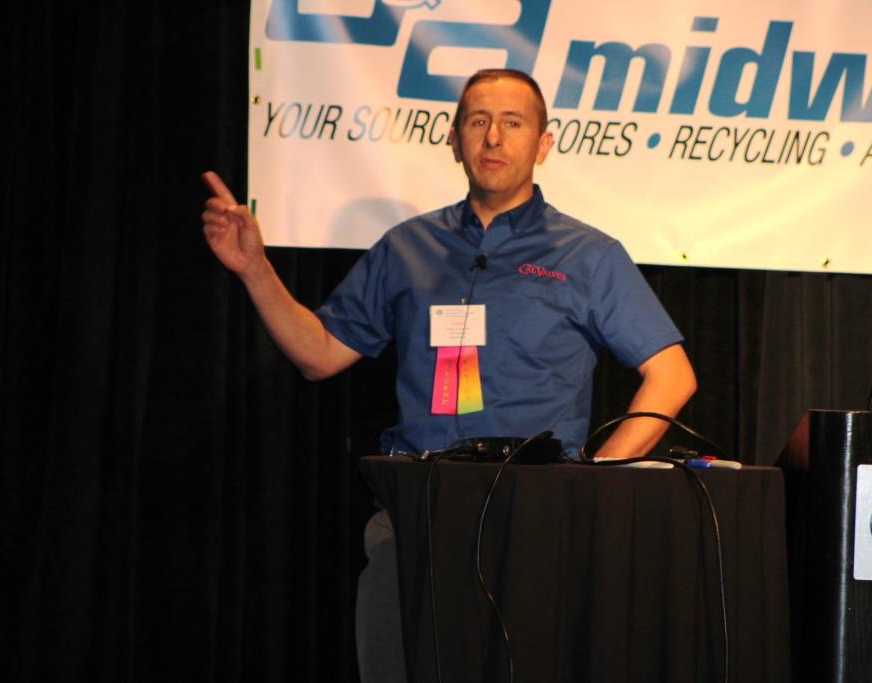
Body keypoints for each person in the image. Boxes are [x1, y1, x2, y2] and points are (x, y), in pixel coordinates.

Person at [202, 68, 696, 682]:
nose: (494, 137)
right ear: (454, 139)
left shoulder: (587, 255)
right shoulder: (406, 247)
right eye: (478, 121)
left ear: (543, 144)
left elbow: (672, 376)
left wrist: (591, 478)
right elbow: (320, 353)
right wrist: (255, 271)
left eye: (513, 123)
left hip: (532, 515)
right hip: (414, 511)